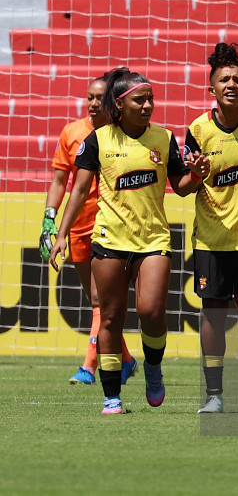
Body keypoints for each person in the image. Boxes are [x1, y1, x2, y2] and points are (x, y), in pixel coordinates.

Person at [49, 67, 209, 414]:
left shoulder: (164, 139)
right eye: (140, 99)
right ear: (120, 105)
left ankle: (153, 369)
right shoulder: (99, 140)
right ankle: (112, 397)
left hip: (153, 239)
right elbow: (78, 190)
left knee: (151, 311)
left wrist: (197, 175)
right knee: (110, 317)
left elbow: (181, 187)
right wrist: (60, 234)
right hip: (109, 239)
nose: (148, 104)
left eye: (150, 98)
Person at [184, 43, 238, 414]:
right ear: (212, 89)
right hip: (211, 238)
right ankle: (214, 394)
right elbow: (183, 188)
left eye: (237, 79)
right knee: (213, 314)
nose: (231, 84)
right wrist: (196, 174)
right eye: (224, 79)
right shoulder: (197, 130)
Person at [40, 73, 137, 385]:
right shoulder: (72, 132)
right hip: (78, 228)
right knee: (99, 303)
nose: (94, 103)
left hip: (110, 227)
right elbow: (59, 181)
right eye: (90, 97)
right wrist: (49, 219)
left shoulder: (121, 134)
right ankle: (126, 359)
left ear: (111, 101)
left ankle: (89, 367)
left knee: (100, 301)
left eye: (100, 97)